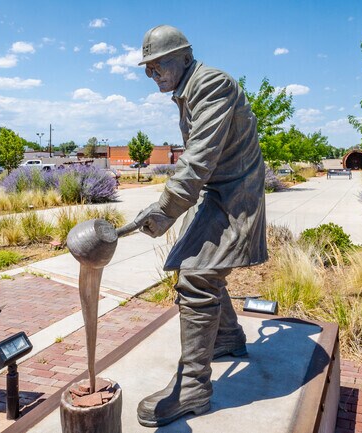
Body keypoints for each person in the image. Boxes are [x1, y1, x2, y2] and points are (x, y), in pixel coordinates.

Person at [133, 25, 268, 427]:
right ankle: (226, 338)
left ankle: (193, 386)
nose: (152, 76)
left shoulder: (212, 85)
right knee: (197, 266)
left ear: (183, 57)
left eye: (157, 67)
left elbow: (199, 158)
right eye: (147, 70)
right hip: (219, 190)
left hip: (236, 191)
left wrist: (167, 207)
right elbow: (199, 159)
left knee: (196, 275)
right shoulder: (189, 90)